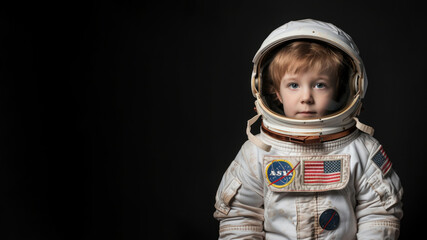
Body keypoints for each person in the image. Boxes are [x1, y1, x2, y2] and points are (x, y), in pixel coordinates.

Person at [213, 19, 403, 239]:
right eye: (293, 85)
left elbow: (379, 215)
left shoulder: (361, 150)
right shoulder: (257, 152)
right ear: (275, 92)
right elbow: (240, 218)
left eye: (319, 84)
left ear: (349, 88)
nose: (306, 98)